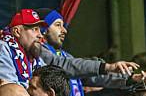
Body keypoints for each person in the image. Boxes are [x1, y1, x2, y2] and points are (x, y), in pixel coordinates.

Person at [0, 9, 136, 87]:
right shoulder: (10, 48)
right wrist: (106, 67)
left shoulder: (39, 57)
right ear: (17, 32)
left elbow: (87, 75)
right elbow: (64, 65)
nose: (64, 30)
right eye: (58, 25)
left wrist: (132, 80)